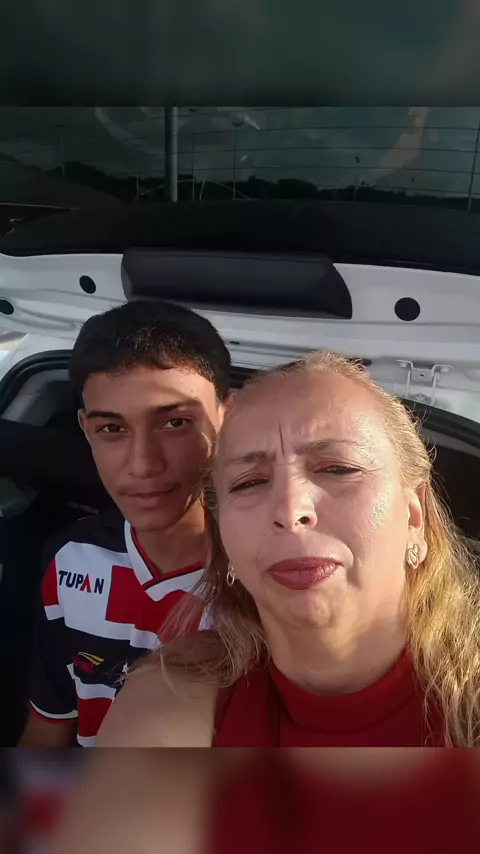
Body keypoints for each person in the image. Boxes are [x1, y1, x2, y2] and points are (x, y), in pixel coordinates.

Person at [97, 349, 480, 748]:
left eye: (338, 468)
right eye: (248, 482)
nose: (289, 510)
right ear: (223, 539)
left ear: (415, 518)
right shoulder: (166, 697)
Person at [20, 299, 231, 747]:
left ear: (226, 419)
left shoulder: (269, 575)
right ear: (85, 428)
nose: (143, 464)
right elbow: (47, 730)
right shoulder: (71, 561)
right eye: (112, 429)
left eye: (175, 422)